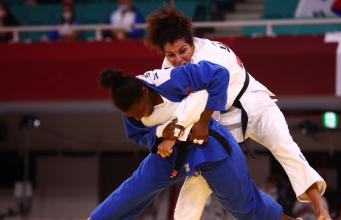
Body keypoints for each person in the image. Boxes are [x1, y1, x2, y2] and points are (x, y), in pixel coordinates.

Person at [145, 5, 331, 220]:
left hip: (253, 104)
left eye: (183, 51)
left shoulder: (212, 54)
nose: (178, 59)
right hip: (220, 121)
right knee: (198, 178)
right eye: (171, 54)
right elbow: (181, 107)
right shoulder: (167, 67)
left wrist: (198, 125)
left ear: (192, 42)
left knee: (285, 147)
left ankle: (321, 211)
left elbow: (206, 97)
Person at [89, 61, 298, 220]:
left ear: (145, 92)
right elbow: (137, 134)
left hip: (209, 144)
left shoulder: (173, 79)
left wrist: (205, 120)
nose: (138, 117)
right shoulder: (129, 105)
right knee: (136, 187)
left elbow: (219, 75)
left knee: (244, 207)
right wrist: (159, 136)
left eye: (139, 111)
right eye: (132, 115)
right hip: (171, 152)